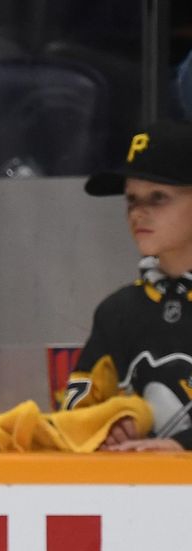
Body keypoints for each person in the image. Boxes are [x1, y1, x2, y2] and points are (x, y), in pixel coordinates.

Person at [62, 120, 192, 452]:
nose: (138, 213)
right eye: (131, 199)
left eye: (158, 198)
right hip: (140, 499)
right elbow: (75, 416)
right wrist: (108, 425)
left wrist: (183, 446)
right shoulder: (117, 311)